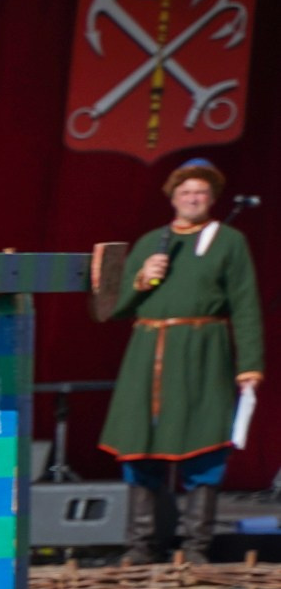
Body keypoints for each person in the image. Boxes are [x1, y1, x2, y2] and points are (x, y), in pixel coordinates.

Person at [102, 159, 265, 564]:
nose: (193, 198)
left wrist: (251, 363)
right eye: (186, 192)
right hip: (149, 351)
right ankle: (141, 546)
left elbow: (246, 304)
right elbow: (113, 307)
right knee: (141, 445)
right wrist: (141, 279)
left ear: (211, 199)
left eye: (201, 193)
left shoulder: (229, 241)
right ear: (173, 198)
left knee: (202, 445)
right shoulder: (149, 243)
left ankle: (195, 547)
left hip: (202, 352)